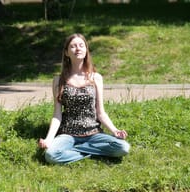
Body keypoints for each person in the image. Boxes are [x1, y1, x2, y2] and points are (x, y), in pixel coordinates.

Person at [38, 33, 130, 164]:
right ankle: (91, 152)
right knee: (51, 155)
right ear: (66, 52)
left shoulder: (96, 78)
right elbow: (57, 115)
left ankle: (76, 151)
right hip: (68, 134)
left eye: (81, 45)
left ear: (86, 50)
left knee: (123, 148)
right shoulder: (58, 80)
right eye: (73, 46)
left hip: (93, 133)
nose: (78, 49)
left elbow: (100, 112)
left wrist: (114, 130)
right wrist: (48, 139)